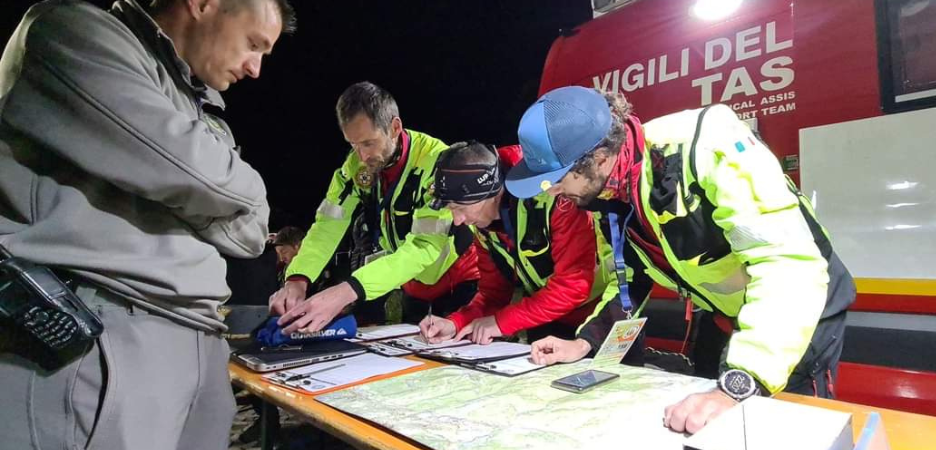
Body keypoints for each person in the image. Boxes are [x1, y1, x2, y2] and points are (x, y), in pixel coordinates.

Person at [0, 0, 295, 448]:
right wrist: (232, 188)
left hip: (200, 337)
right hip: (104, 331)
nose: (255, 69)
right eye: (253, 44)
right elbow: (200, 175)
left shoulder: (198, 106)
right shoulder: (72, 31)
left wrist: (182, 184)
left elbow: (251, 232)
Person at [512, 87, 856, 434]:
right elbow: (629, 280)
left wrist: (739, 384)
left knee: (787, 430)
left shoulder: (708, 144)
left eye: (557, 179)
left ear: (599, 158)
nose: (551, 191)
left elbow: (786, 264)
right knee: (707, 426)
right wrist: (585, 342)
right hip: (727, 314)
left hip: (797, 311)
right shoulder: (610, 193)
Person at [270, 82, 479, 334]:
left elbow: (425, 247)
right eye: (353, 144)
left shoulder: (439, 163)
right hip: (410, 281)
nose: (361, 156)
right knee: (412, 352)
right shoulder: (354, 167)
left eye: (368, 143)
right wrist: (297, 278)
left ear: (395, 128)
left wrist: (347, 291)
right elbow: (328, 225)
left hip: (458, 279)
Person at [419, 141, 613, 345]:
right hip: (544, 317)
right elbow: (493, 294)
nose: (457, 220)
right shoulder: (482, 220)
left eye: (460, 207)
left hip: (602, 315)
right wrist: (455, 323)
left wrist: (500, 322)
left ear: (492, 193)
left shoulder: (556, 195)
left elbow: (573, 285)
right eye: (451, 209)